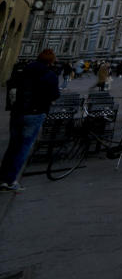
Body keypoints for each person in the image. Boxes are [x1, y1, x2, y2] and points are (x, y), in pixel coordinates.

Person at [1, 49, 60, 193]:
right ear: (51, 61)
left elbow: (11, 85)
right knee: (24, 147)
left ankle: (2, 179)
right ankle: (10, 181)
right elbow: (54, 95)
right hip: (35, 114)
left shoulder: (23, 70)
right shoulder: (50, 75)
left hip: (17, 112)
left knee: (13, 146)